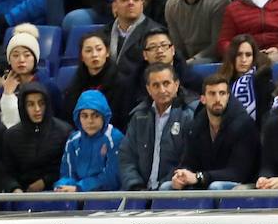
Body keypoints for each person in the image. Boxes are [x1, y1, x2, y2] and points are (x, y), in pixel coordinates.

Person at [172, 74, 258, 190]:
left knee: (215, 188)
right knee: (167, 187)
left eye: (222, 93)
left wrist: (199, 177)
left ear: (228, 96)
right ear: (203, 99)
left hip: (243, 184)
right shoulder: (195, 126)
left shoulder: (244, 124)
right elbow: (188, 161)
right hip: (206, 180)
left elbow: (238, 173)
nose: (218, 99)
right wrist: (181, 175)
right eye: (212, 94)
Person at [119, 62, 194, 191]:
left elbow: (188, 160)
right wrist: (135, 185)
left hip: (171, 188)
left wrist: (162, 187)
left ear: (176, 85)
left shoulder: (188, 116)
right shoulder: (138, 117)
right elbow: (126, 157)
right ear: (148, 89)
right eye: (156, 85)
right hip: (139, 191)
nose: (162, 90)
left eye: (166, 84)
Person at [0, 83, 72, 192]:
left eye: (41, 103)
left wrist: (45, 181)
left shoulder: (64, 131)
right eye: (30, 104)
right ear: (23, 107)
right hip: (21, 194)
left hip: (55, 191)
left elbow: (67, 168)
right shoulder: (11, 135)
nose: (37, 109)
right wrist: (14, 188)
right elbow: (6, 172)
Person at [54, 89, 124, 192]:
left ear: (104, 116)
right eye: (84, 116)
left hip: (108, 199)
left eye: (95, 115)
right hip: (77, 195)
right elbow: (67, 174)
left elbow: (112, 179)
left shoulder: (115, 138)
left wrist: (80, 188)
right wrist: (62, 186)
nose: (90, 121)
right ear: (78, 117)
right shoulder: (73, 140)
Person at [0, 25, 61, 129]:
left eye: (27, 55)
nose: (21, 60)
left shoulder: (48, 86)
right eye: (15, 55)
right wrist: (7, 94)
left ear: (35, 59)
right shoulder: (5, 88)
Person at [62, 32, 124, 127]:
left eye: (99, 49)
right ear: (81, 57)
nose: (94, 55)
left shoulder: (119, 82)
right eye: (88, 51)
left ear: (107, 52)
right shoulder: (76, 82)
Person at [218, 34, 274, 126]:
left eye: (248, 55)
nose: (243, 59)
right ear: (232, 56)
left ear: (254, 57)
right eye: (239, 54)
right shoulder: (222, 81)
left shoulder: (263, 81)